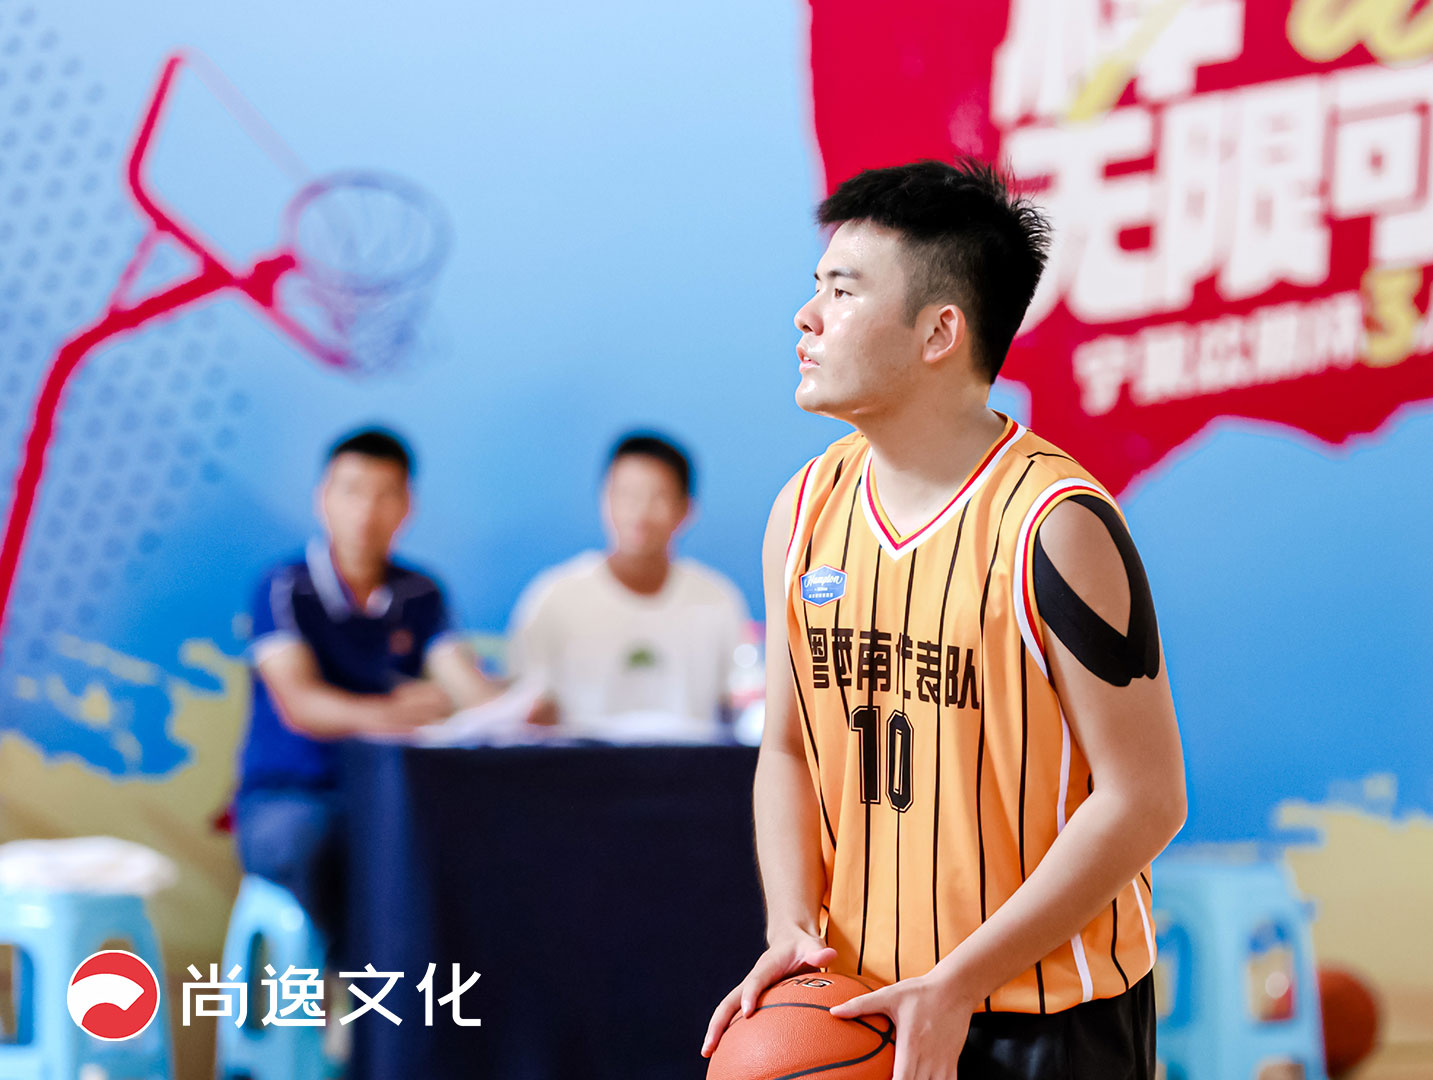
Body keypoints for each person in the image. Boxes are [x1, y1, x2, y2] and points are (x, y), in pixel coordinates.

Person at [702, 160, 1187, 1080]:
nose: (807, 317)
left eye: (843, 292)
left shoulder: (1058, 526)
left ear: (939, 331)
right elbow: (789, 748)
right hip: (864, 1003)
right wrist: (790, 927)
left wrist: (958, 981)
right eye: (816, 287)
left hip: (1045, 1017)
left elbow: (1147, 799)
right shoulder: (803, 511)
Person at [238, 427, 513, 943]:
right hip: (292, 794)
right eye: (352, 491)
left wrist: (519, 706)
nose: (366, 511)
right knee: (310, 840)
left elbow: (465, 687)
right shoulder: (284, 587)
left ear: (407, 506)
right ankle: (340, 982)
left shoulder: (421, 593)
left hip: (387, 791)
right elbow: (300, 705)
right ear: (323, 499)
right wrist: (395, 711)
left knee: (472, 837)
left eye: (385, 494)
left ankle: (416, 987)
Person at [508, 431, 750, 742]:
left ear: (685, 510)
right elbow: (526, 710)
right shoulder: (554, 597)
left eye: (657, 497)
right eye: (626, 495)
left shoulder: (717, 599)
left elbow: (739, 704)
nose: (640, 512)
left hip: (690, 766)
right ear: (604, 500)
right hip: (580, 768)